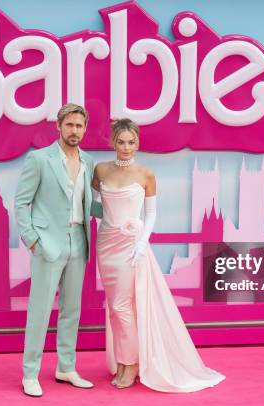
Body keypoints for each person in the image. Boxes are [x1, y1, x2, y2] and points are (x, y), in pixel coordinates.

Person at [91, 119, 225, 392]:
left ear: (137, 143)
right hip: (106, 244)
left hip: (131, 246)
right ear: (112, 143)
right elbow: (94, 206)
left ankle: (130, 364)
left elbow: (151, 214)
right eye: (121, 142)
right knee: (116, 308)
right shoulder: (101, 170)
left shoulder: (146, 174)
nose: (126, 147)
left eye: (131, 142)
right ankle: (124, 360)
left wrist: (141, 243)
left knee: (123, 306)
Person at [15, 103, 101, 397]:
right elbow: (21, 202)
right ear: (59, 126)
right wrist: (32, 239)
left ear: (85, 129)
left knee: (71, 311)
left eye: (80, 126)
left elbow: (91, 204)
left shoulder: (89, 161)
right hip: (47, 243)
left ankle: (66, 367)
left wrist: (125, 198)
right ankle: (30, 373)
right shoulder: (39, 159)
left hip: (79, 240)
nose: (75, 130)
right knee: (40, 311)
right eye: (70, 125)